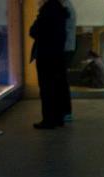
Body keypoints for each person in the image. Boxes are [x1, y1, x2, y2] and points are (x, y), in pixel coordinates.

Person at [29, 0, 69, 129]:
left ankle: (48, 120)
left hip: (46, 56)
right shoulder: (61, 12)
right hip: (58, 55)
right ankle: (59, 117)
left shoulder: (46, 12)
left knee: (46, 88)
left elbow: (33, 31)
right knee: (58, 87)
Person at [62, 0, 77, 122]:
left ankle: (66, 112)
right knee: (62, 81)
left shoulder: (65, 7)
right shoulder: (68, 6)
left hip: (64, 48)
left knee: (61, 81)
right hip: (68, 47)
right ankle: (66, 112)